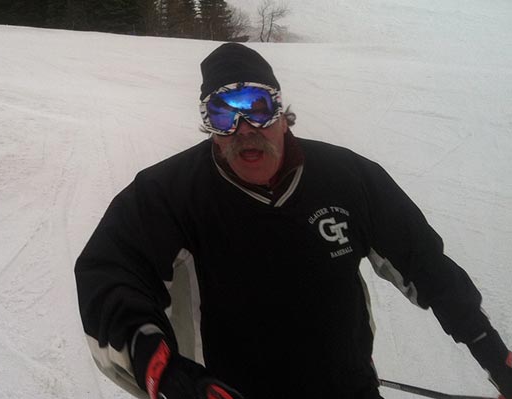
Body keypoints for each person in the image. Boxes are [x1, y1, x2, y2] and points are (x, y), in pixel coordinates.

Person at [74, 42, 512, 399]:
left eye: (258, 107)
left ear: (282, 113)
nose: (246, 129)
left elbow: (426, 265)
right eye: (225, 115)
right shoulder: (167, 194)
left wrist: (492, 352)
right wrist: (165, 372)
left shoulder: (348, 178)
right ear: (210, 126)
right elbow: (109, 274)